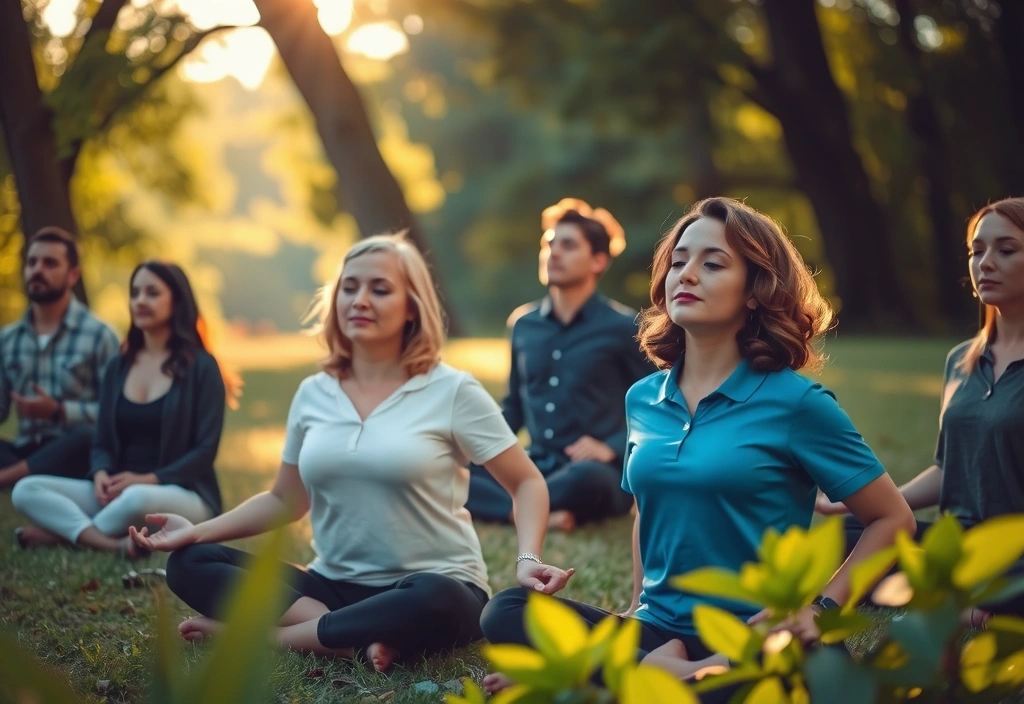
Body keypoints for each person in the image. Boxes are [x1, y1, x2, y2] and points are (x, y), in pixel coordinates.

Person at [480, 197, 916, 694]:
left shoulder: (798, 403)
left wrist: (820, 610)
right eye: (679, 262)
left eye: (712, 264)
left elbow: (892, 518)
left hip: (759, 634)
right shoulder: (643, 398)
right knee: (505, 611)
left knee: (788, 671)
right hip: (663, 629)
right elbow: (648, 509)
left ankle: (626, 679)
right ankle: (662, 675)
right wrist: (634, 608)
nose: (686, 274)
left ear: (755, 291)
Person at [129, 234, 573, 671]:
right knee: (190, 565)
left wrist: (527, 558)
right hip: (330, 586)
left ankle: (272, 637)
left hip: (429, 586)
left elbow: (527, 482)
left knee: (439, 598)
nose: (360, 300)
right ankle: (348, 641)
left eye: (380, 289)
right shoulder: (313, 394)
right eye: (349, 287)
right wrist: (196, 533)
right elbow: (286, 499)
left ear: (412, 307)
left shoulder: (452, 390)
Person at [817, 196, 1024, 627]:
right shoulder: (961, 360)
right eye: (976, 251)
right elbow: (951, 467)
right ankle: (958, 604)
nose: (985, 262)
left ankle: (961, 605)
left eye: (1006, 250)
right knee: (842, 541)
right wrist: (865, 503)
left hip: (1014, 553)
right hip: (957, 548)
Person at [12, 261, 232, 558]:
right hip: (116, 490)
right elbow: (101, 439)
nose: (140, 301)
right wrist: (101, 471)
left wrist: (148, 479)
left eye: (152, 293)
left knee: (136, 498)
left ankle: (63, 537)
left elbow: (205, 452)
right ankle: (112, 543)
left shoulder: (203, 367)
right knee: (26, 490)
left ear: (177, 302)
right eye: (135, 293)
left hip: (182, 493)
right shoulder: (119, 365)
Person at [466, 199, 653, 531]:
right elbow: (514, 408)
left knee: (589, 478)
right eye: (549, 244)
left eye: (567, 245)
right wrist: (476, 449)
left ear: (598, 261)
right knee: (457, 468)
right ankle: (533, 514)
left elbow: (655, 407)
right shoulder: (523, 324)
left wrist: (610, 447)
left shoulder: (626, 327)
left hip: (592, 471)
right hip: (535, 464)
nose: (553, 253)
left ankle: (517, 508)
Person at [0, 227, 119, 488]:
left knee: (84, 437)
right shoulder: (7, 339)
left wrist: (59, 411)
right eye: (32, 262)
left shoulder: (101, 336)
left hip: (74, 453)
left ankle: (9, 480)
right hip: (23, 449)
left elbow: (116, 412)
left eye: (50, 263)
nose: (37, 270)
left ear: (73, 275)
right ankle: (27, 476)